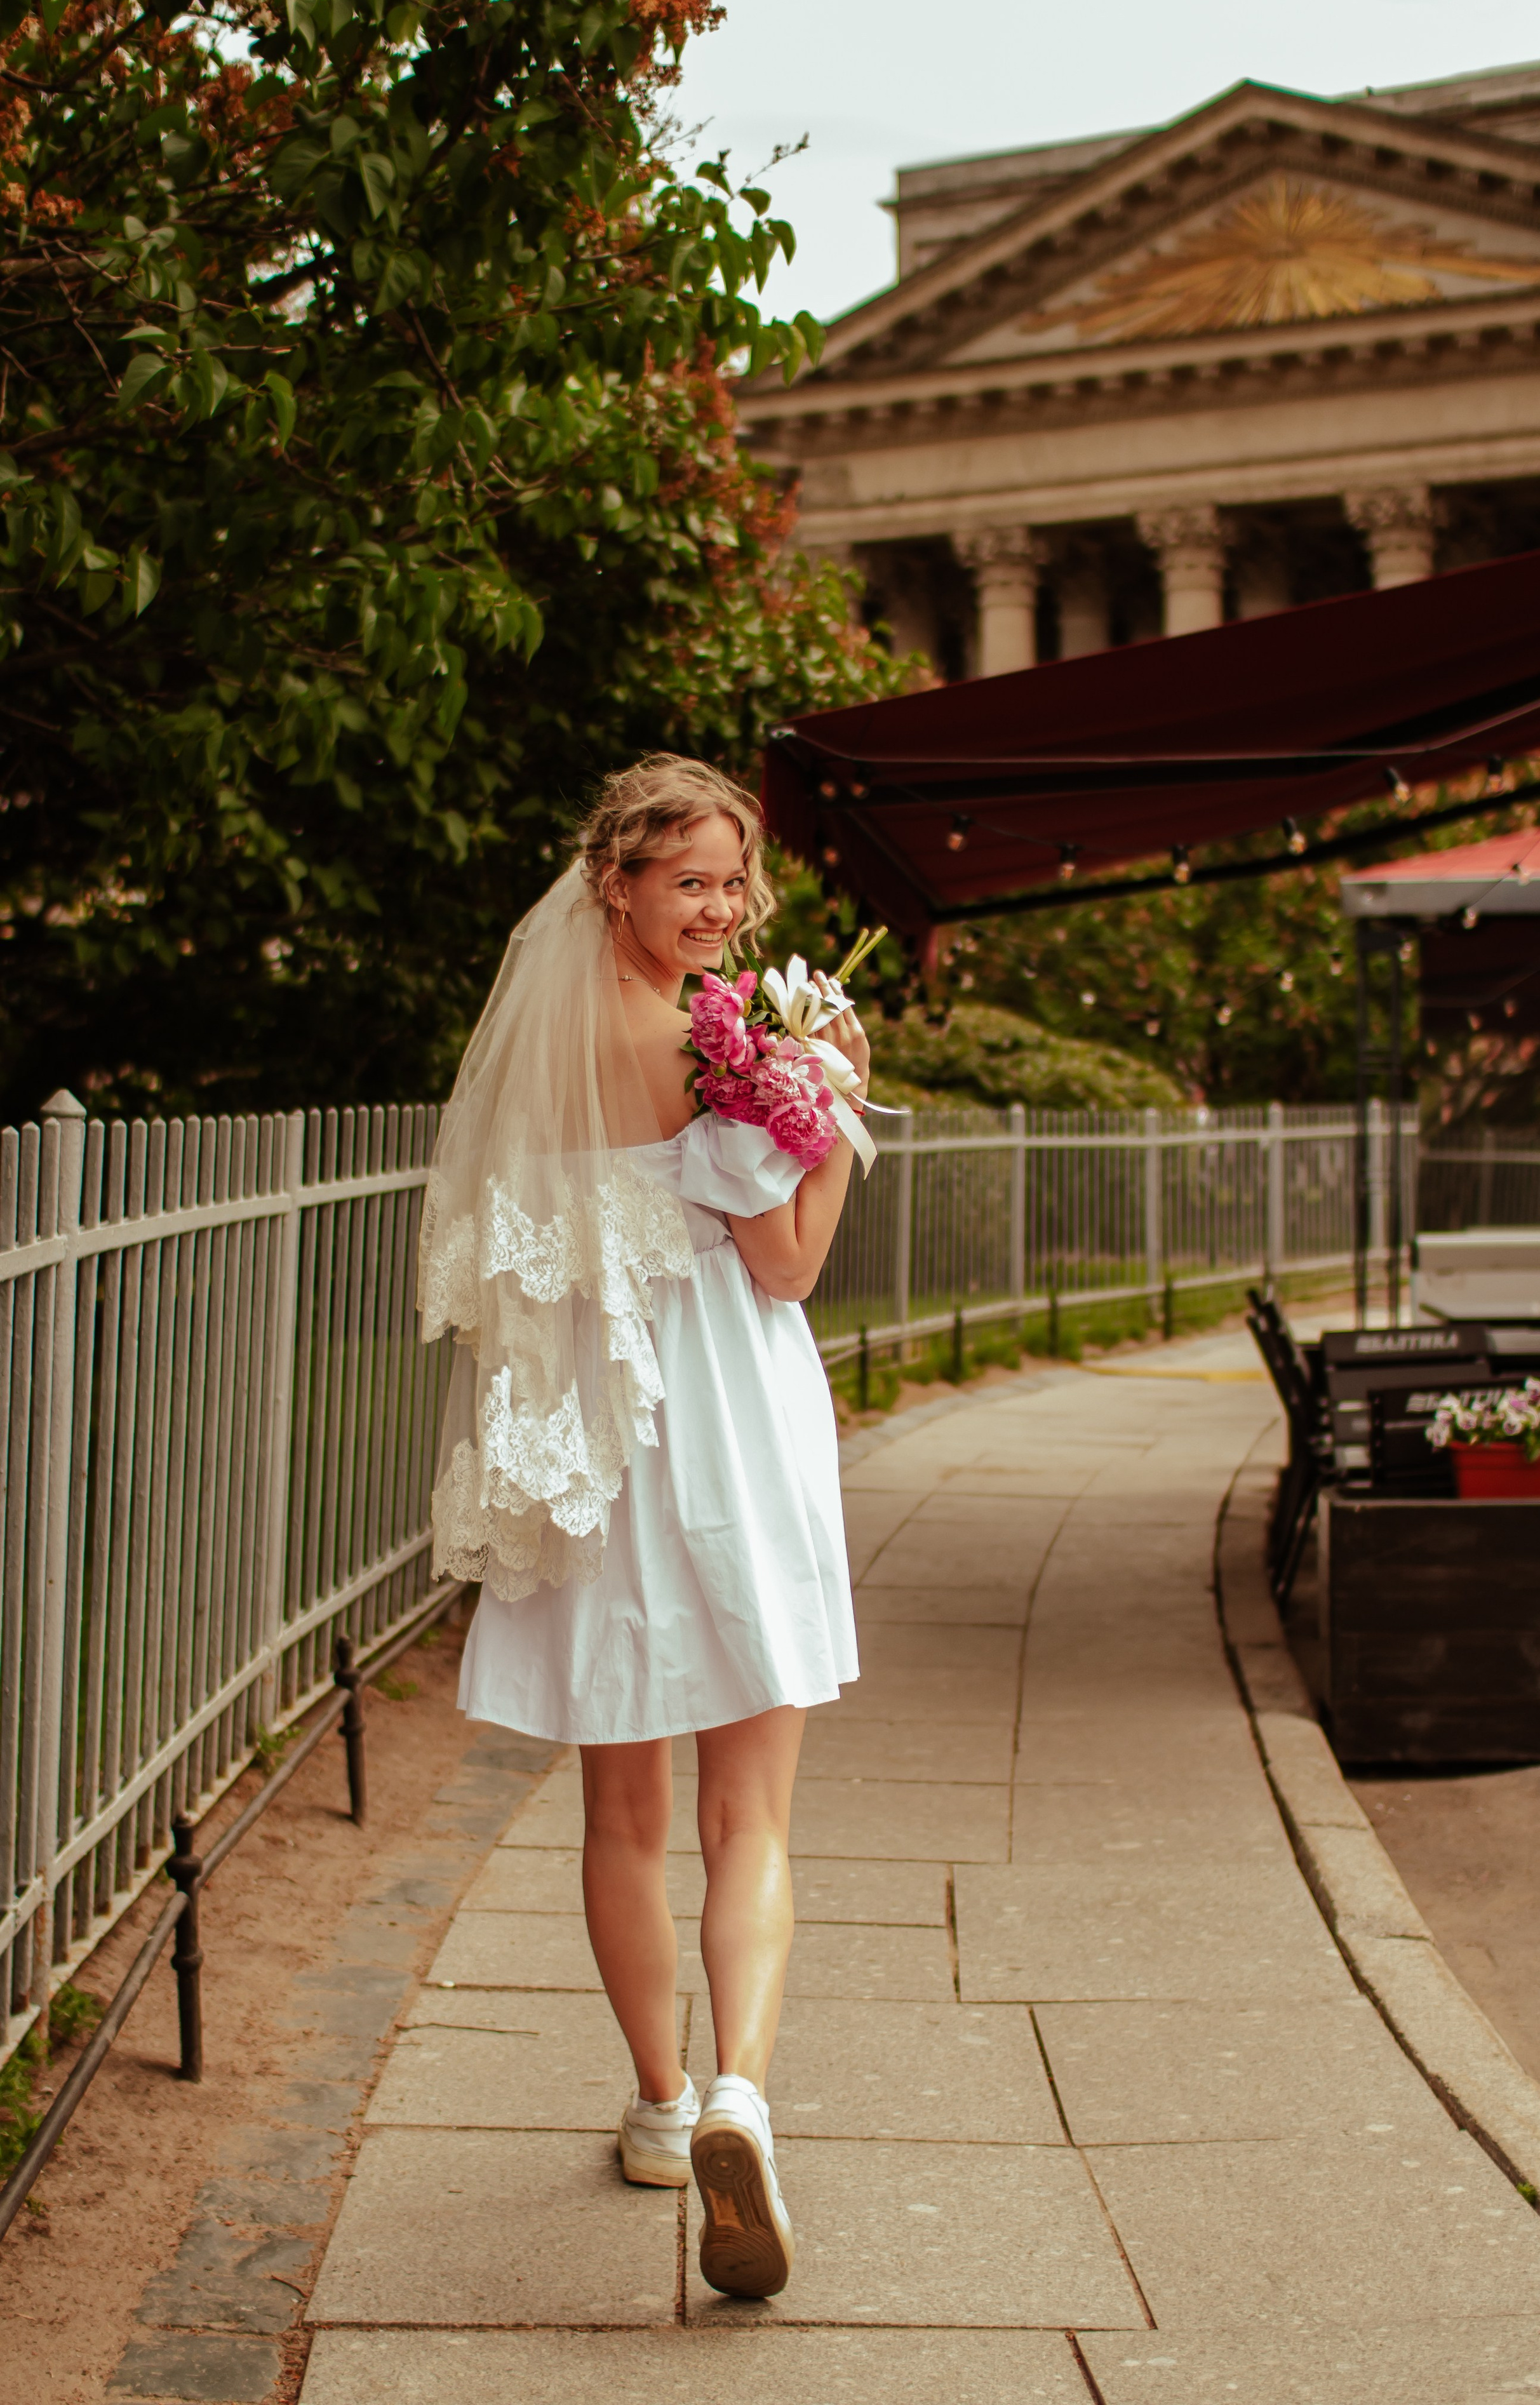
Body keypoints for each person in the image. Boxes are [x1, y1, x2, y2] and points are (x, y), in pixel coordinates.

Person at [417, 756, 866, 2301]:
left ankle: (665, 2112)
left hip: (597, 1447)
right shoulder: (726, 1044)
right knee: (753, 1814)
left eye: (735, 883)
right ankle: (743, 2087)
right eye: (692, 881)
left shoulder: (544, 1040)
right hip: (728, 1429)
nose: (721, 909)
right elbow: (788, 1265)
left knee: (622, 1816)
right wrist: (835, 1119)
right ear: (614, 882)